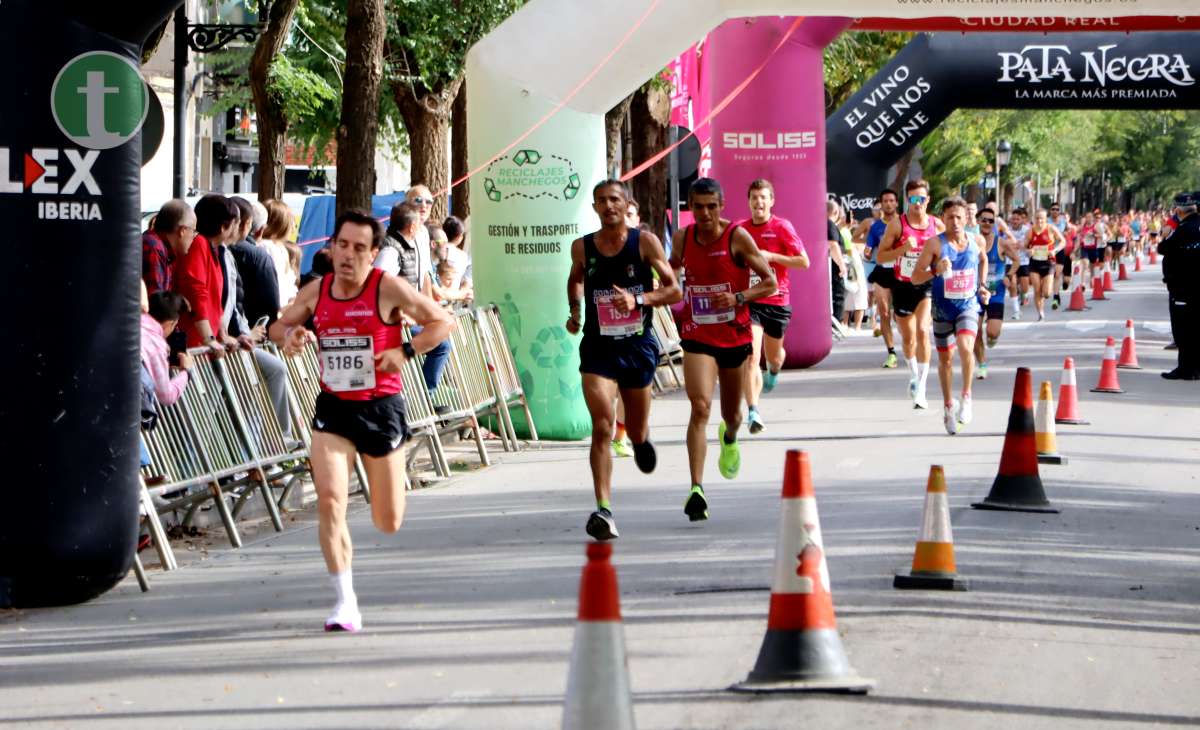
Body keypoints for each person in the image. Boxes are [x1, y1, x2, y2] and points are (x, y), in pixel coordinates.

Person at [269, 209, 453, 632]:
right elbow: (278, 327)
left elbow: (443, 321)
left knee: (388, 520)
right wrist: (291, 336)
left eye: (358, 248)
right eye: (341, 245)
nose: (347, 255)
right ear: (331, 247)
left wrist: (404, 352)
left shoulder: (387, 288)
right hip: (333, 408)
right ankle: (344, 602)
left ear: (373, 254)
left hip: (380, 409)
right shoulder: (317, 291)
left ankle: (384, 505)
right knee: (331, 501)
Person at [566, 180, 680, 540]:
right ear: (595, 207)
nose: (608, 206)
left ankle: (642, 439)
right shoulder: (582, 247)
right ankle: (603, 508)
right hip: (598, 347)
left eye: (614, 199)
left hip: (637, 345)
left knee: (636, 426)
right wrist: (575, 311)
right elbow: (575, 280)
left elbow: (673, 288)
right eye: (601, 201)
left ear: (625, 203)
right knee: (602, 426)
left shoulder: (643, 242)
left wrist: (639, 301)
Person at [670, 178, 776, 522]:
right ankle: (696, 489)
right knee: (700, 406)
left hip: (734, 334)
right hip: (697, 332)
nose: (704, 214)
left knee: (733, 416)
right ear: (690, 207)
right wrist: (663, 284)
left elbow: (770, 281)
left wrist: (739, 297)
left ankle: (729, 437)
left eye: (711, 206)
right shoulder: (684, 237)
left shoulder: (737, 237)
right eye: (698, 207)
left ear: (722, 206)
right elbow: (672, 270)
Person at [911, 197, 989, 435]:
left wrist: (982, 285)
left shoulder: (976, 240)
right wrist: (936, 270)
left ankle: (966, 397)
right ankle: (947, 406)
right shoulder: (935, 244)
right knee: (945, 360)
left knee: (966, 347)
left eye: (958, 217)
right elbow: (915, 277)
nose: (954, 222)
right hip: (942, 310)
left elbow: (983, 260)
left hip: (967, 306)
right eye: (949, 217)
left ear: (966, 218)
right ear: (943, 219)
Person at [738, 179, 808, 435]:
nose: (758, 202)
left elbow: (804, 261)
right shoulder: (740, 231)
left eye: (763, 197)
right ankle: (753, 411)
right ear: (749, 201)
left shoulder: (782, 227)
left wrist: (771, 257)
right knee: (751, 357)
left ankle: (774, 371)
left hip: (777, 301)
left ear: (771, 201)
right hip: (751, 301)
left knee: (774, 357)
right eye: (754, 197)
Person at [876, 179, 945, 409]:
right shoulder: (898, 225)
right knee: (908, 339)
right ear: (908, 200)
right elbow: (881, 257)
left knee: (923, 330)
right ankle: (914, 375)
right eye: (913, 199)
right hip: (903, 286)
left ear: (928, 200)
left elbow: (950, 250)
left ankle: (922, 389)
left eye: (922, 199)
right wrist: (903, 249)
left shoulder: (936, 225)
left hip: (925, 285)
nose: (918, 203)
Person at [176, 194, 240, 356]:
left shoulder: (212, 250)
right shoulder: (199, 244)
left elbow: (214, 299)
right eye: (234, 224)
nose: (235, 229)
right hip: (194, 343)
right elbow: (195, 291)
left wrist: (221, 334)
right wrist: (209, 338)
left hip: (204, 343)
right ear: (223, 227)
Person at [1158, 191, 1200, 380]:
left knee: (1183, 329)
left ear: (1178, 210)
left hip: (1183, 286)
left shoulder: (1183, 229)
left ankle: (1186, 368)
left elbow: (1164, 248)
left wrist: (1166, 234)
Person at [973, 208, 1018, 380]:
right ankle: (982, 364)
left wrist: (1008, 275)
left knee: (992, 332)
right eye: (984, 220)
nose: (987, 223)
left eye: (991, 221)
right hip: (974, 294)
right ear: (978, 221)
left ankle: (991, 339)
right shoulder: (970, 241)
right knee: (975, 330)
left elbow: (1016, 261)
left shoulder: (1002, 243)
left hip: (996, 293)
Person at [229, 197, 281, 328]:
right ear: (261, 230)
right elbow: (271, 305)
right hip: (249, 333)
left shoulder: (216, 248)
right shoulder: (260, 257)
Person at [865, 189, 900, 368]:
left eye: (891, 200)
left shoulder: (904, 223)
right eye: (885, 201)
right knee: (884, 311)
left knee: (900, 315)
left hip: (901, 272)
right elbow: (869, 247)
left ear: (896, 203)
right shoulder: (876, 227)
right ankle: (891, 352)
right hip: (883, 271)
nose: (888, 204)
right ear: (881, 204)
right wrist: (867, 251)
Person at [141, 290, 195, 407]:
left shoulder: (128, 321)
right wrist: (186, 372)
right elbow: (166, 396)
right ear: (169, 323)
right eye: (174, 326)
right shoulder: (156, 344)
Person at [142, 199, 196, 296]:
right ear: (182, 230)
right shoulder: (154, 247)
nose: (194, 237)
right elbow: (157, 303)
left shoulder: (163, 248)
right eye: (193, 231)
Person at [1025, 209, 1067, 321]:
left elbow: (1063, 241)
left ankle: (1044, 293)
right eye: (1037, 218)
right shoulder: (1030, 231)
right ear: (1034, 219)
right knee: (1036, 289)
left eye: (1042, 218)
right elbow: (1024, 246)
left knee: (1047, 293)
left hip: (1048, 263)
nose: (1039, 221)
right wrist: (1028, 251)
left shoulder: (1051, 228)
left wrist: (1055, 250)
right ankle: (1040, 313)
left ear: (1045, 219)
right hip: (1034, 263)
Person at [260, 200, 301, 307]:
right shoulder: (268, 248)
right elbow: (278, 287)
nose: (293, 227)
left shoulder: (278, 247)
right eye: (290, 221)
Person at [826, 201, 849, 324]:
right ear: (836, 212)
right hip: (834, 267)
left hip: (832, 264)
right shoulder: (829, 224)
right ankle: (837, 322)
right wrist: (841, 265)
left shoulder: (828, 225)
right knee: (838, 295)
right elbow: (833, 245)